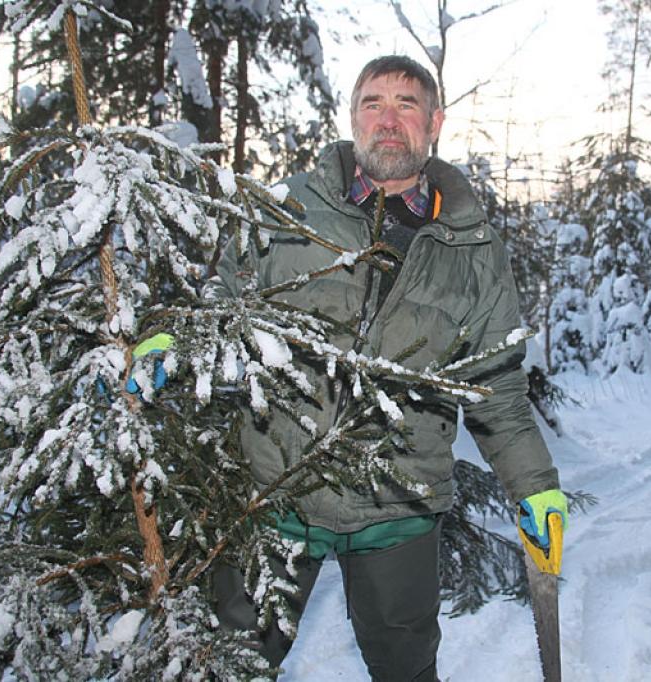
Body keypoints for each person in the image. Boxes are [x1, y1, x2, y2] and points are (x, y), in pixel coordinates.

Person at [206, 55, 566, 681]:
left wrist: (534, 485)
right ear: (353, 120)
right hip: (275, 489)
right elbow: (216, 306)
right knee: (231, 665)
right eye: (373, 104)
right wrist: (164, 345)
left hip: (398, 504)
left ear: (435, 123)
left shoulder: (472, 247)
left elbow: (497, 387)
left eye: (407, 105)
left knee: (407, 670)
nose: (389, 120)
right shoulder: (285, 207)